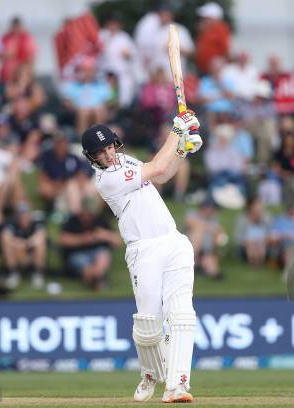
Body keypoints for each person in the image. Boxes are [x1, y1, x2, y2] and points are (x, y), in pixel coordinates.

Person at [80, 109, 203, 401]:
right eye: (101, 152)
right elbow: (158, 168)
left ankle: (176, 386)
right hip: (143, 249)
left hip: (173, 241)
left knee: (182, 314)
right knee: (148, 323)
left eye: (110, 146)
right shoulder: (107, 180)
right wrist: (176, 131)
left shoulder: (126, 160)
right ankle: (150, 374)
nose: (109, 154)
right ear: (92, 157)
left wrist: (183, 150)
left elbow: (164, 174)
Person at [58, 197, 121, 290]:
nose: (89, 215)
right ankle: (94, 279)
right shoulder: (73, 220)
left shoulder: (100, 220)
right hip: (77, 253)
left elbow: (118, 242)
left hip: (97, 252)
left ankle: (96, 276)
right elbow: (63, 240)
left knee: (102, 255)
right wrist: (83, 239)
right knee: (81, 261)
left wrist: (105, 235)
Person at [1, 202, 47, 290]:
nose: (23, 217)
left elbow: (41, 236)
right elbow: (5, 237)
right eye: (21, 214)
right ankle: (13, 274)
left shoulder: (36, 222)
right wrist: (18, 244)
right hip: (17, 254)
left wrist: (26, 243)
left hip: (31, 255)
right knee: (7, 246)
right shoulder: (12, 222)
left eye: (25, 214)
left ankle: (37, 274)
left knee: (40, 245)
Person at [62, 58, 112, 134]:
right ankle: (82, 140)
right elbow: (67, 103)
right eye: (84, 70)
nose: (87, 73)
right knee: (84, 112)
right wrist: (75, 108)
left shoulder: (101, 85)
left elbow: (108, 102)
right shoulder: (72, 86)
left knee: (98, 111)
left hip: (98, 112)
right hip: (78, 113)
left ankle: (101, 139)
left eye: (90, 70)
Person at [99, 15, 140, 108]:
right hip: (105, 73)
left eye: (115, 24)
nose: (113, 26)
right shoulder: (101, 35)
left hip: (121, 74)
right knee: (104, 97)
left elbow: (134, 54)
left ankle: (122, 111)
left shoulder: (124, 37)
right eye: (111, 23)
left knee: (124, 95)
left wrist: (128, 54)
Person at [185, 198, 226, 278]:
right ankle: (194, 264)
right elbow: (192, 223)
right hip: (190, 251)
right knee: (198, 232)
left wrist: (218, 240)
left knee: (212, 268)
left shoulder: (214, 219)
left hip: (205, 251)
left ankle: (200, 268)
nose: (214, 211)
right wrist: (213, 228)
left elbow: (221, 236)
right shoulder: (192, 214)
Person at [195, 2, 231, 75]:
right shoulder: (205, 29)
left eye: (206, 18)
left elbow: (225, 49)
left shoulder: (221, 29)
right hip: (203, 69)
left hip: (214, 71)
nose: (204, 19)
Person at [234, 196, 271, 266]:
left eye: (260, 204)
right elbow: (238, 237)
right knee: (251, 245)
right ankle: (252, 262)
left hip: (263, 243)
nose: (259, 207)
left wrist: (264, 240)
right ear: (250, 206)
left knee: (261, 245)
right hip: (246, 245)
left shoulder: (266, 217)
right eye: (257, 204)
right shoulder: (242, 218)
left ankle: (260, 262)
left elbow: (270, 233)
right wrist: (247, 241)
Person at [0, 16, 36, 83]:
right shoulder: (5, 38)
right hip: (6, 75)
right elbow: (2, 55)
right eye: (14, 27)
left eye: (17, 27)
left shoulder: (26, 38)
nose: (15, 29)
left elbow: (31, 57)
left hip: (21, 76)